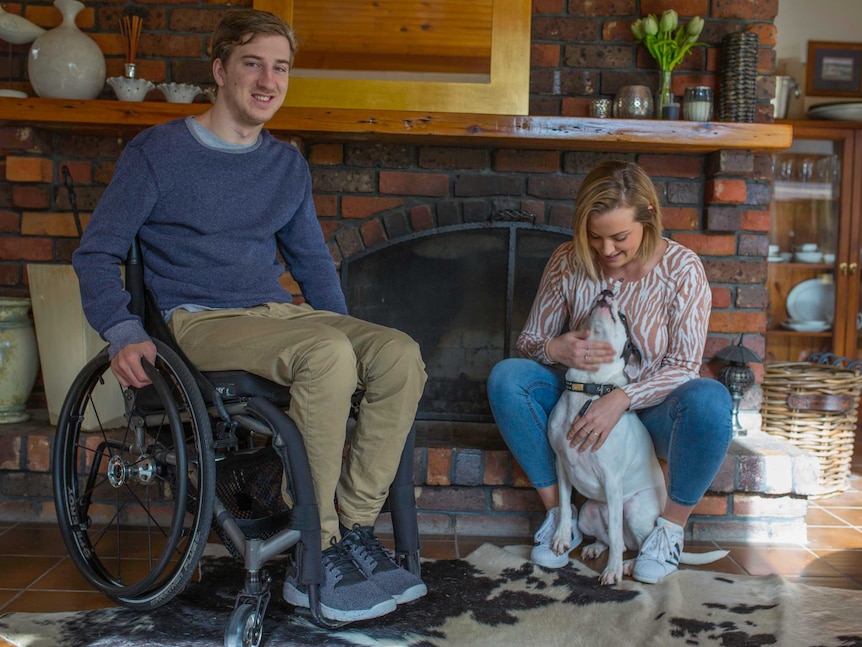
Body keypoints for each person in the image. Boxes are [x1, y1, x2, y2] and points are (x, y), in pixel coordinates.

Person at [72, 9, 427, 622]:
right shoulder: (157, 153)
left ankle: (351, 530)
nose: (268, 80)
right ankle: (315, 551)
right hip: (200, 322)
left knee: (397, 351)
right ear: (220, 70)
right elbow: (96, 252)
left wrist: (353, 339)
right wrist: (124, 332)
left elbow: (314, 268)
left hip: (274, 316)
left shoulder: (285, 165)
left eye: (280, 67)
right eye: (253, 64)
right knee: (326, 354)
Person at [487, 160, 732, 584]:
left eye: (620, 237)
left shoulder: (683, 270)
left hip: (650, 411)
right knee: (508, 377)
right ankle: (560, 518)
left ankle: (668, 532)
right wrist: (555, 346)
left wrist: (621, 400)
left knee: (711, 400)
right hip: (576, 394)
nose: (606, 250)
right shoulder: (567, 260)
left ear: (649, 216)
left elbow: (683, 367)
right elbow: (529, 341)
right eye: (595, 236)